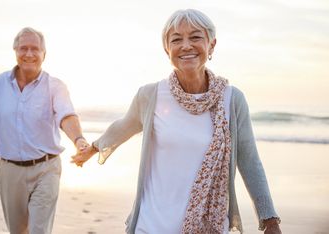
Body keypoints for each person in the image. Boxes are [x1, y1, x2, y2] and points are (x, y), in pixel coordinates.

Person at [71, 9, 282, 234]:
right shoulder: (151, 95)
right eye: (176, 39)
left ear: (211, 45)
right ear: (167, 49)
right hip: (152, 224)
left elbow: (250, 161)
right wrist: (93, 148)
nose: (186, 45)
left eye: (195, 37)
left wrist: (269, 219)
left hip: (209, 225)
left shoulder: (232, 99)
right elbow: (123, 126)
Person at [0, 27, 89, 234]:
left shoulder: (55, 86)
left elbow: (66, 116)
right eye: (24, 48)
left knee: (39, 230)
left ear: (44, 54)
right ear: (15, 51)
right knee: (17, 231)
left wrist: (78, 140)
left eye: (35, 49)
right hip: (9, 170)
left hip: (46, 168)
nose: (29, 54)